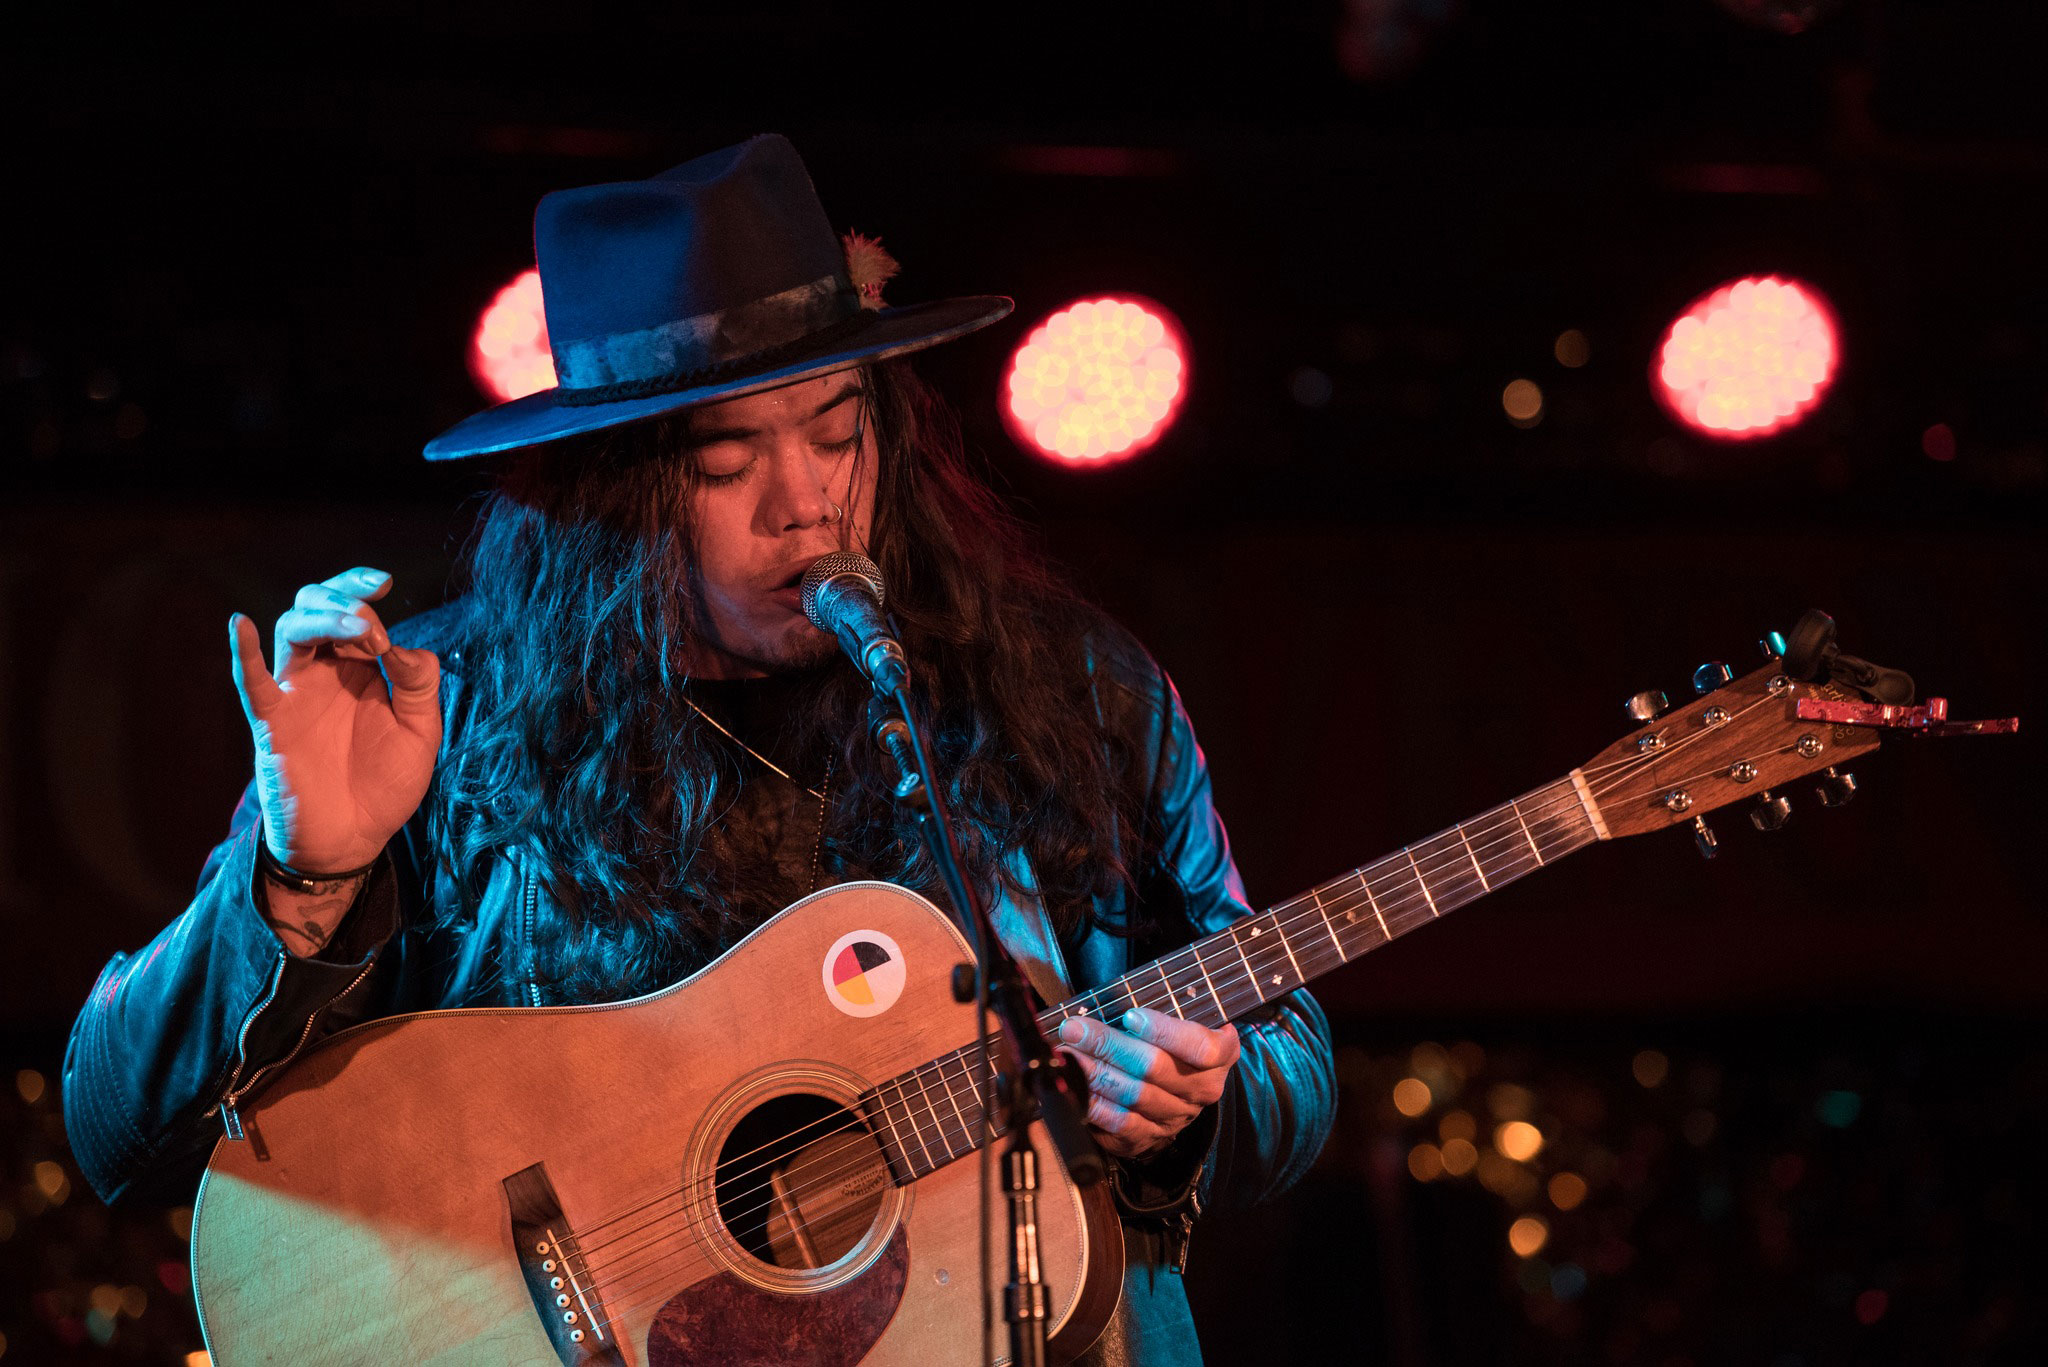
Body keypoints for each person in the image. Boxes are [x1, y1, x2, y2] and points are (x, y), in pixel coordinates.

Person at [63, 134, 1335, 1365]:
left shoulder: (1070, 692)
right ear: (610, 492)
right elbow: (122, 1127)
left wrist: (1195, 1106)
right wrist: (302, 881)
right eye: (729, 460)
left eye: (839, 433)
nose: (806, 501)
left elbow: (1279, 1046)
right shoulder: (437, 713)